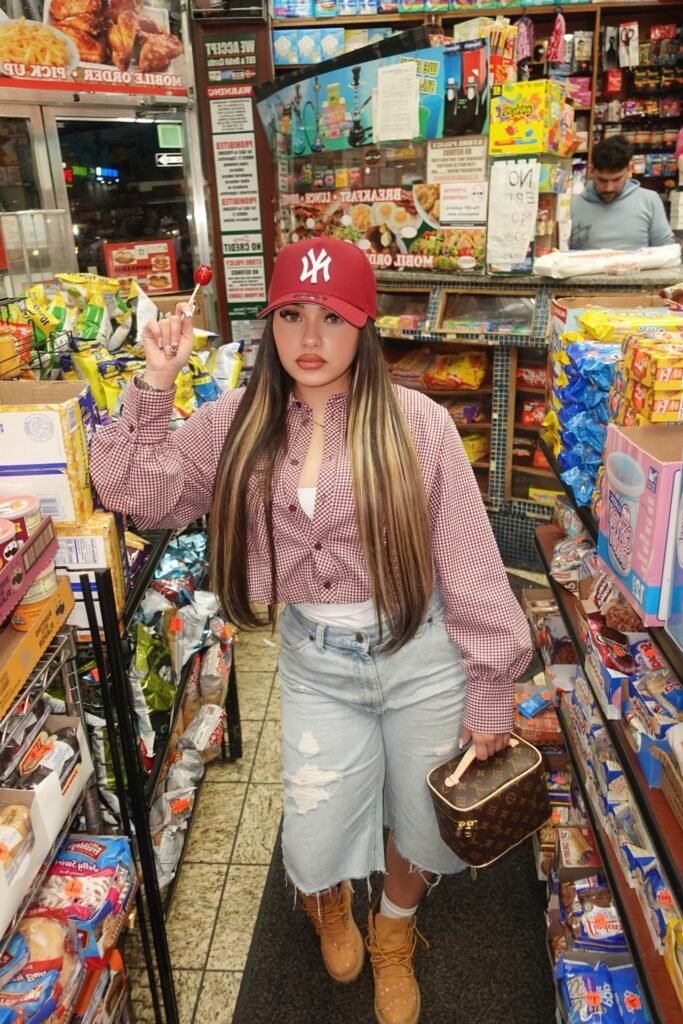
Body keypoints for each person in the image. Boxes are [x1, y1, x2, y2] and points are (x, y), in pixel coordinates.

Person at [90, 237, 532, 1024]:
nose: (308, 339)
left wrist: (490, 685)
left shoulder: (417, 425)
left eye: (332, 317)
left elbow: (468, 559)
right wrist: (155, 383)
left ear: (364, 325)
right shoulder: (239, 419)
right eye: (290, 315)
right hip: (315, 659)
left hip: (421, 653)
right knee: (316, 819)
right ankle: (325, 899)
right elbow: (140, 497)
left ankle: (393, 930)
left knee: (420, 813)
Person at [570, 134, 674, 251]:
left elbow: (666, 250)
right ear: (592, 171)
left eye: (616, 179)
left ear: (629, 170)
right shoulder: (573, 205)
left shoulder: (649, 201)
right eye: (602, 180)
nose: (609, 188)